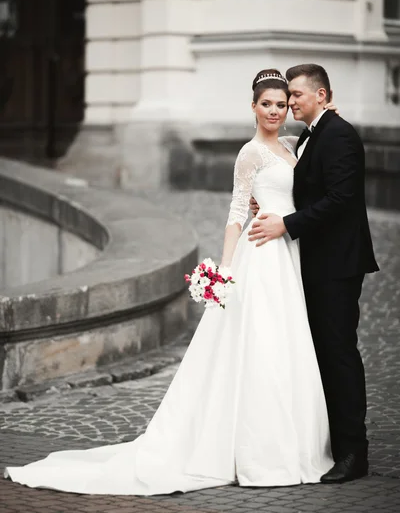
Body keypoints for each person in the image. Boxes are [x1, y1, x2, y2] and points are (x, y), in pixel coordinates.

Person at [4, 69, 335, 495]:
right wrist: (227, 270)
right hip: (262, 255)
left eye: (281, 103)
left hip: (289, 255)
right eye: (266, 104)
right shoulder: (249, 154)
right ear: (252, 107)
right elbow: (237, 212)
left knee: (287, 343)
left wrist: (328, 110)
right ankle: (258, 451)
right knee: (261, 344)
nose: (275, 110)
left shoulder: (294, 145)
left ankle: (295, 442)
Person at [248, 64, 379, 483]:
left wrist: (286, 224)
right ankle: (330, 444)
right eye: (286, 98)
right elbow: (303, 184)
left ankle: (353, 453)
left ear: (320, 96)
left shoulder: (338, 135)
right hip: (314, 261)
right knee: (319, 351)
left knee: (338, 353)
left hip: (337, 264)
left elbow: (341, 198)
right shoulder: (312, 133)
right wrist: (269, 208)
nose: (290, 104)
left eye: (297, 96)